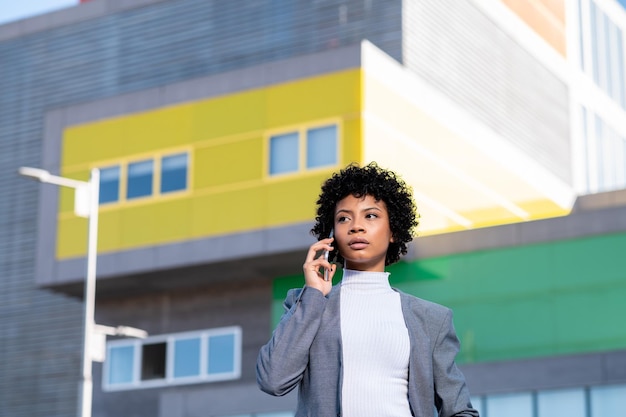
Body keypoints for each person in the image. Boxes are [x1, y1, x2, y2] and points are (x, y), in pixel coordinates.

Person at [256, 162, 479, 417]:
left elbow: (459, 410)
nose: (356, 226)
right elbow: (273, 380)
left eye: (370, 215)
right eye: (343, 218)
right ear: (331, 235)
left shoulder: (431, 318)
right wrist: (314, 294)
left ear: (393, 230)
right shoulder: (308, 305)